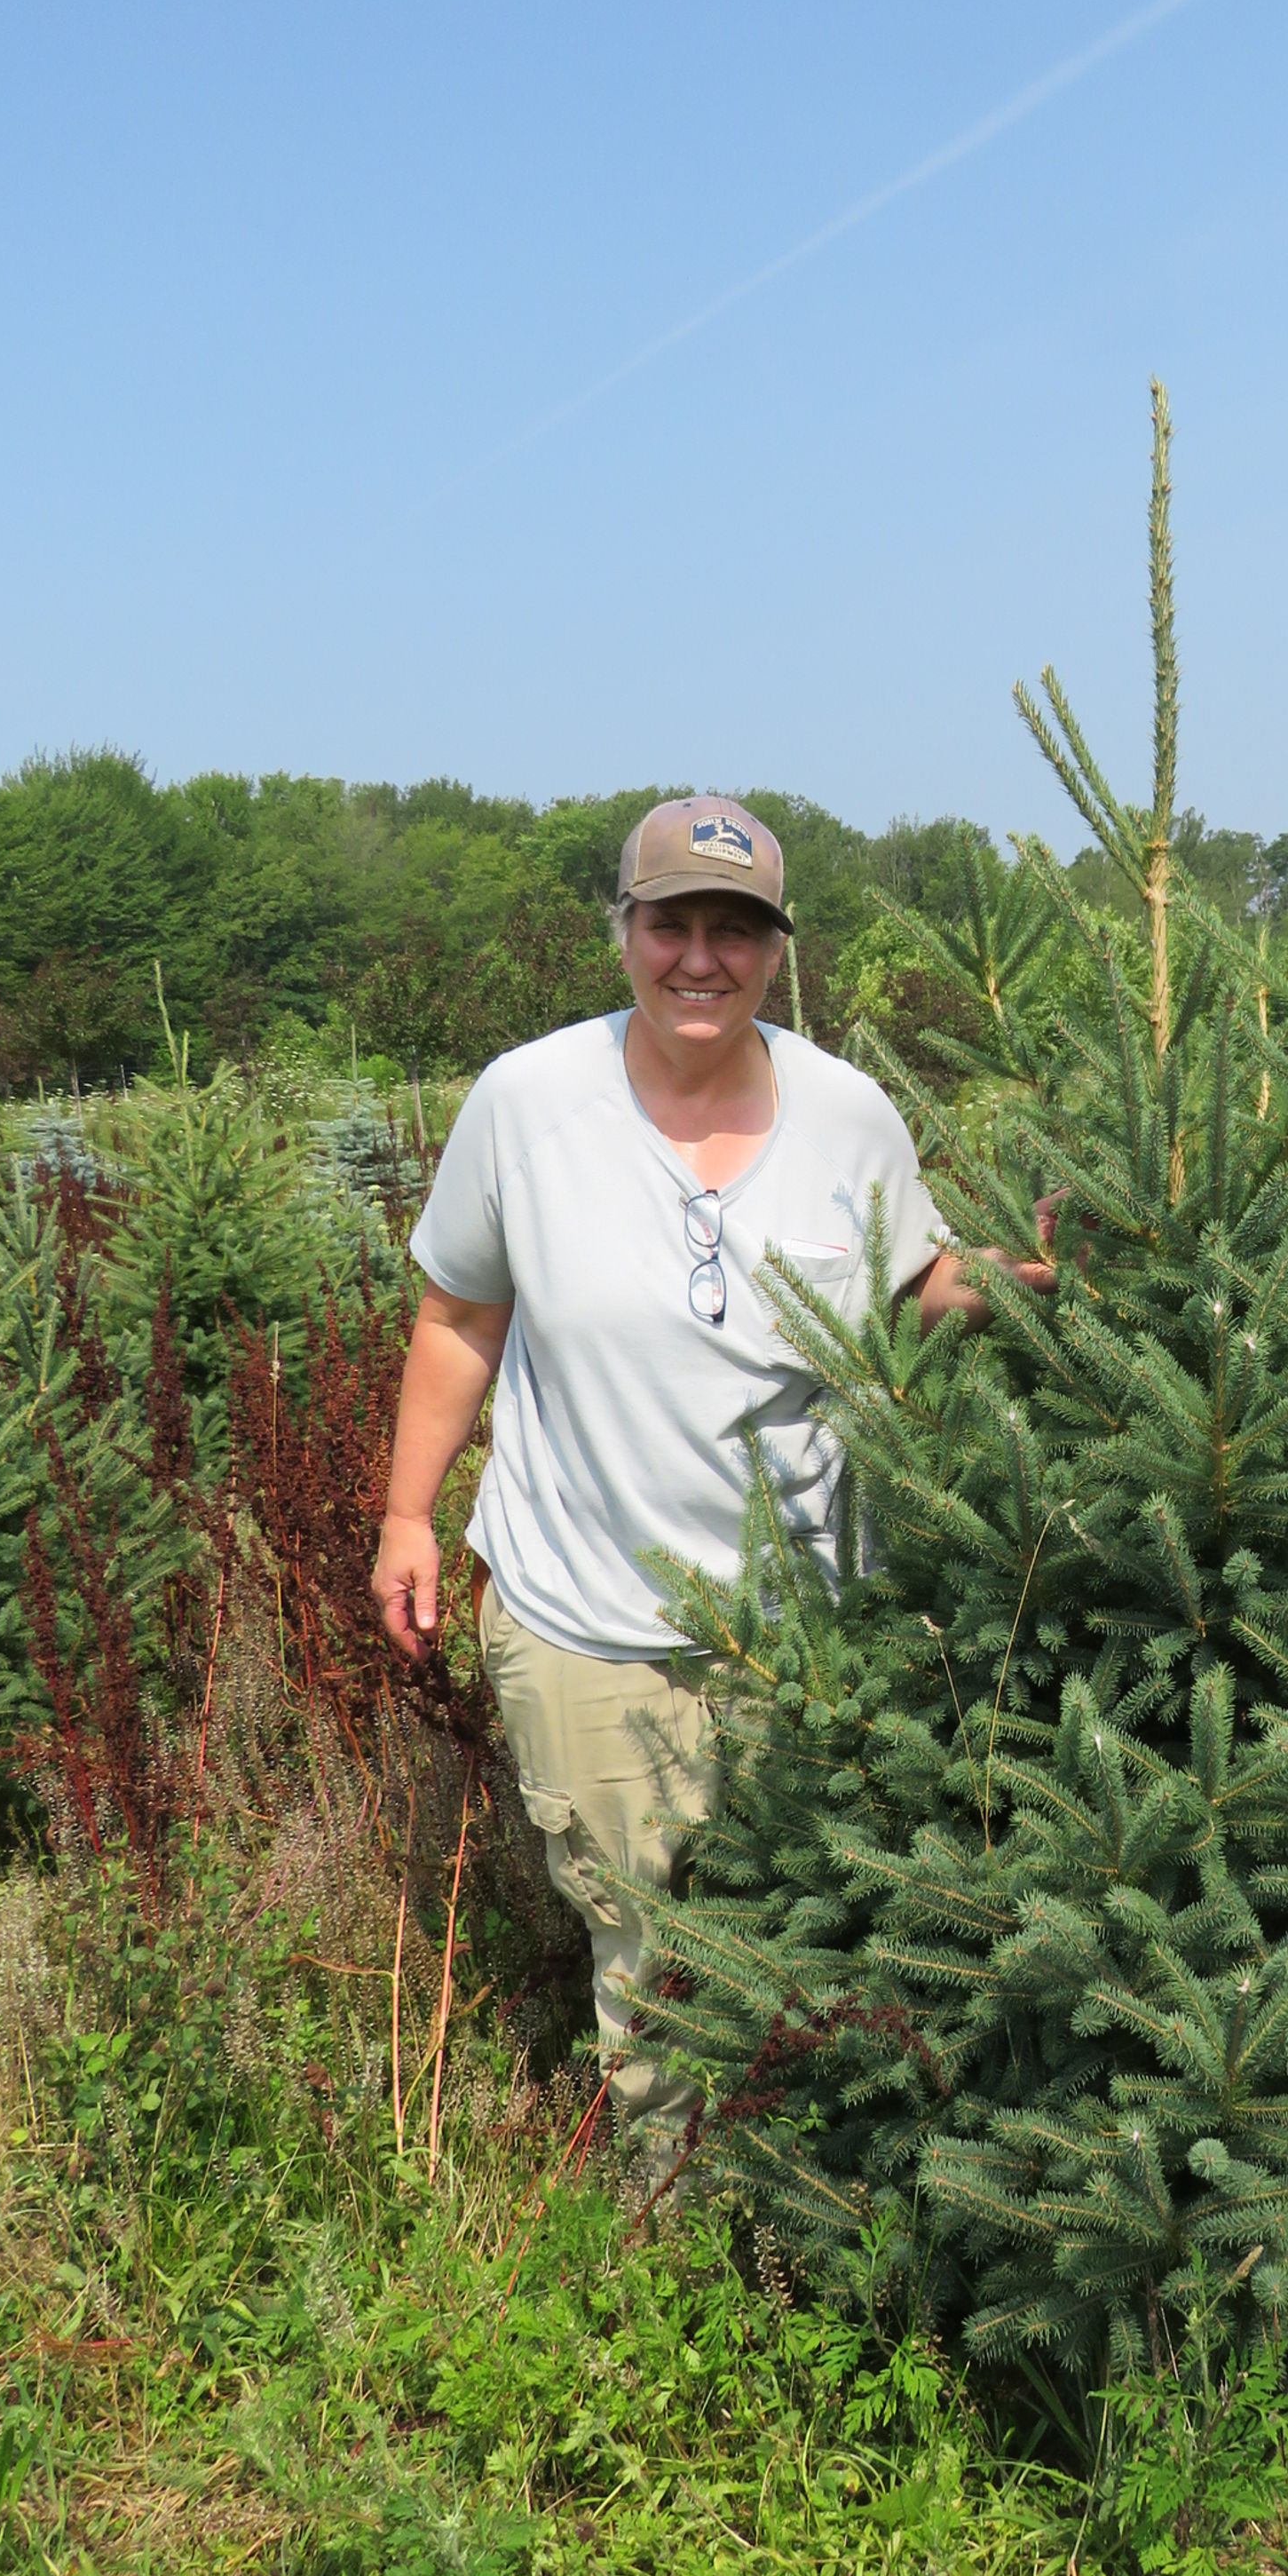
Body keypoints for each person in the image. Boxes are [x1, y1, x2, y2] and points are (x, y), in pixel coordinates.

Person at [371, 794, 1049, 2181]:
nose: (700, 959)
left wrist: (1026, 1284)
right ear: (621, 930)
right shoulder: (527, 1104)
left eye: (734, 931)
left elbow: (916, 1286)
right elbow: (459, 1320)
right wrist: (405, 1516)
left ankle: (810, 2202)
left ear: (776, 949)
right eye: (669, 924)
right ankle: (668, 2223)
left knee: (801, 1922)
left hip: (805, 1625)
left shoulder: (848, 1114)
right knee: (645, 1950)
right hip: (585, 1613)